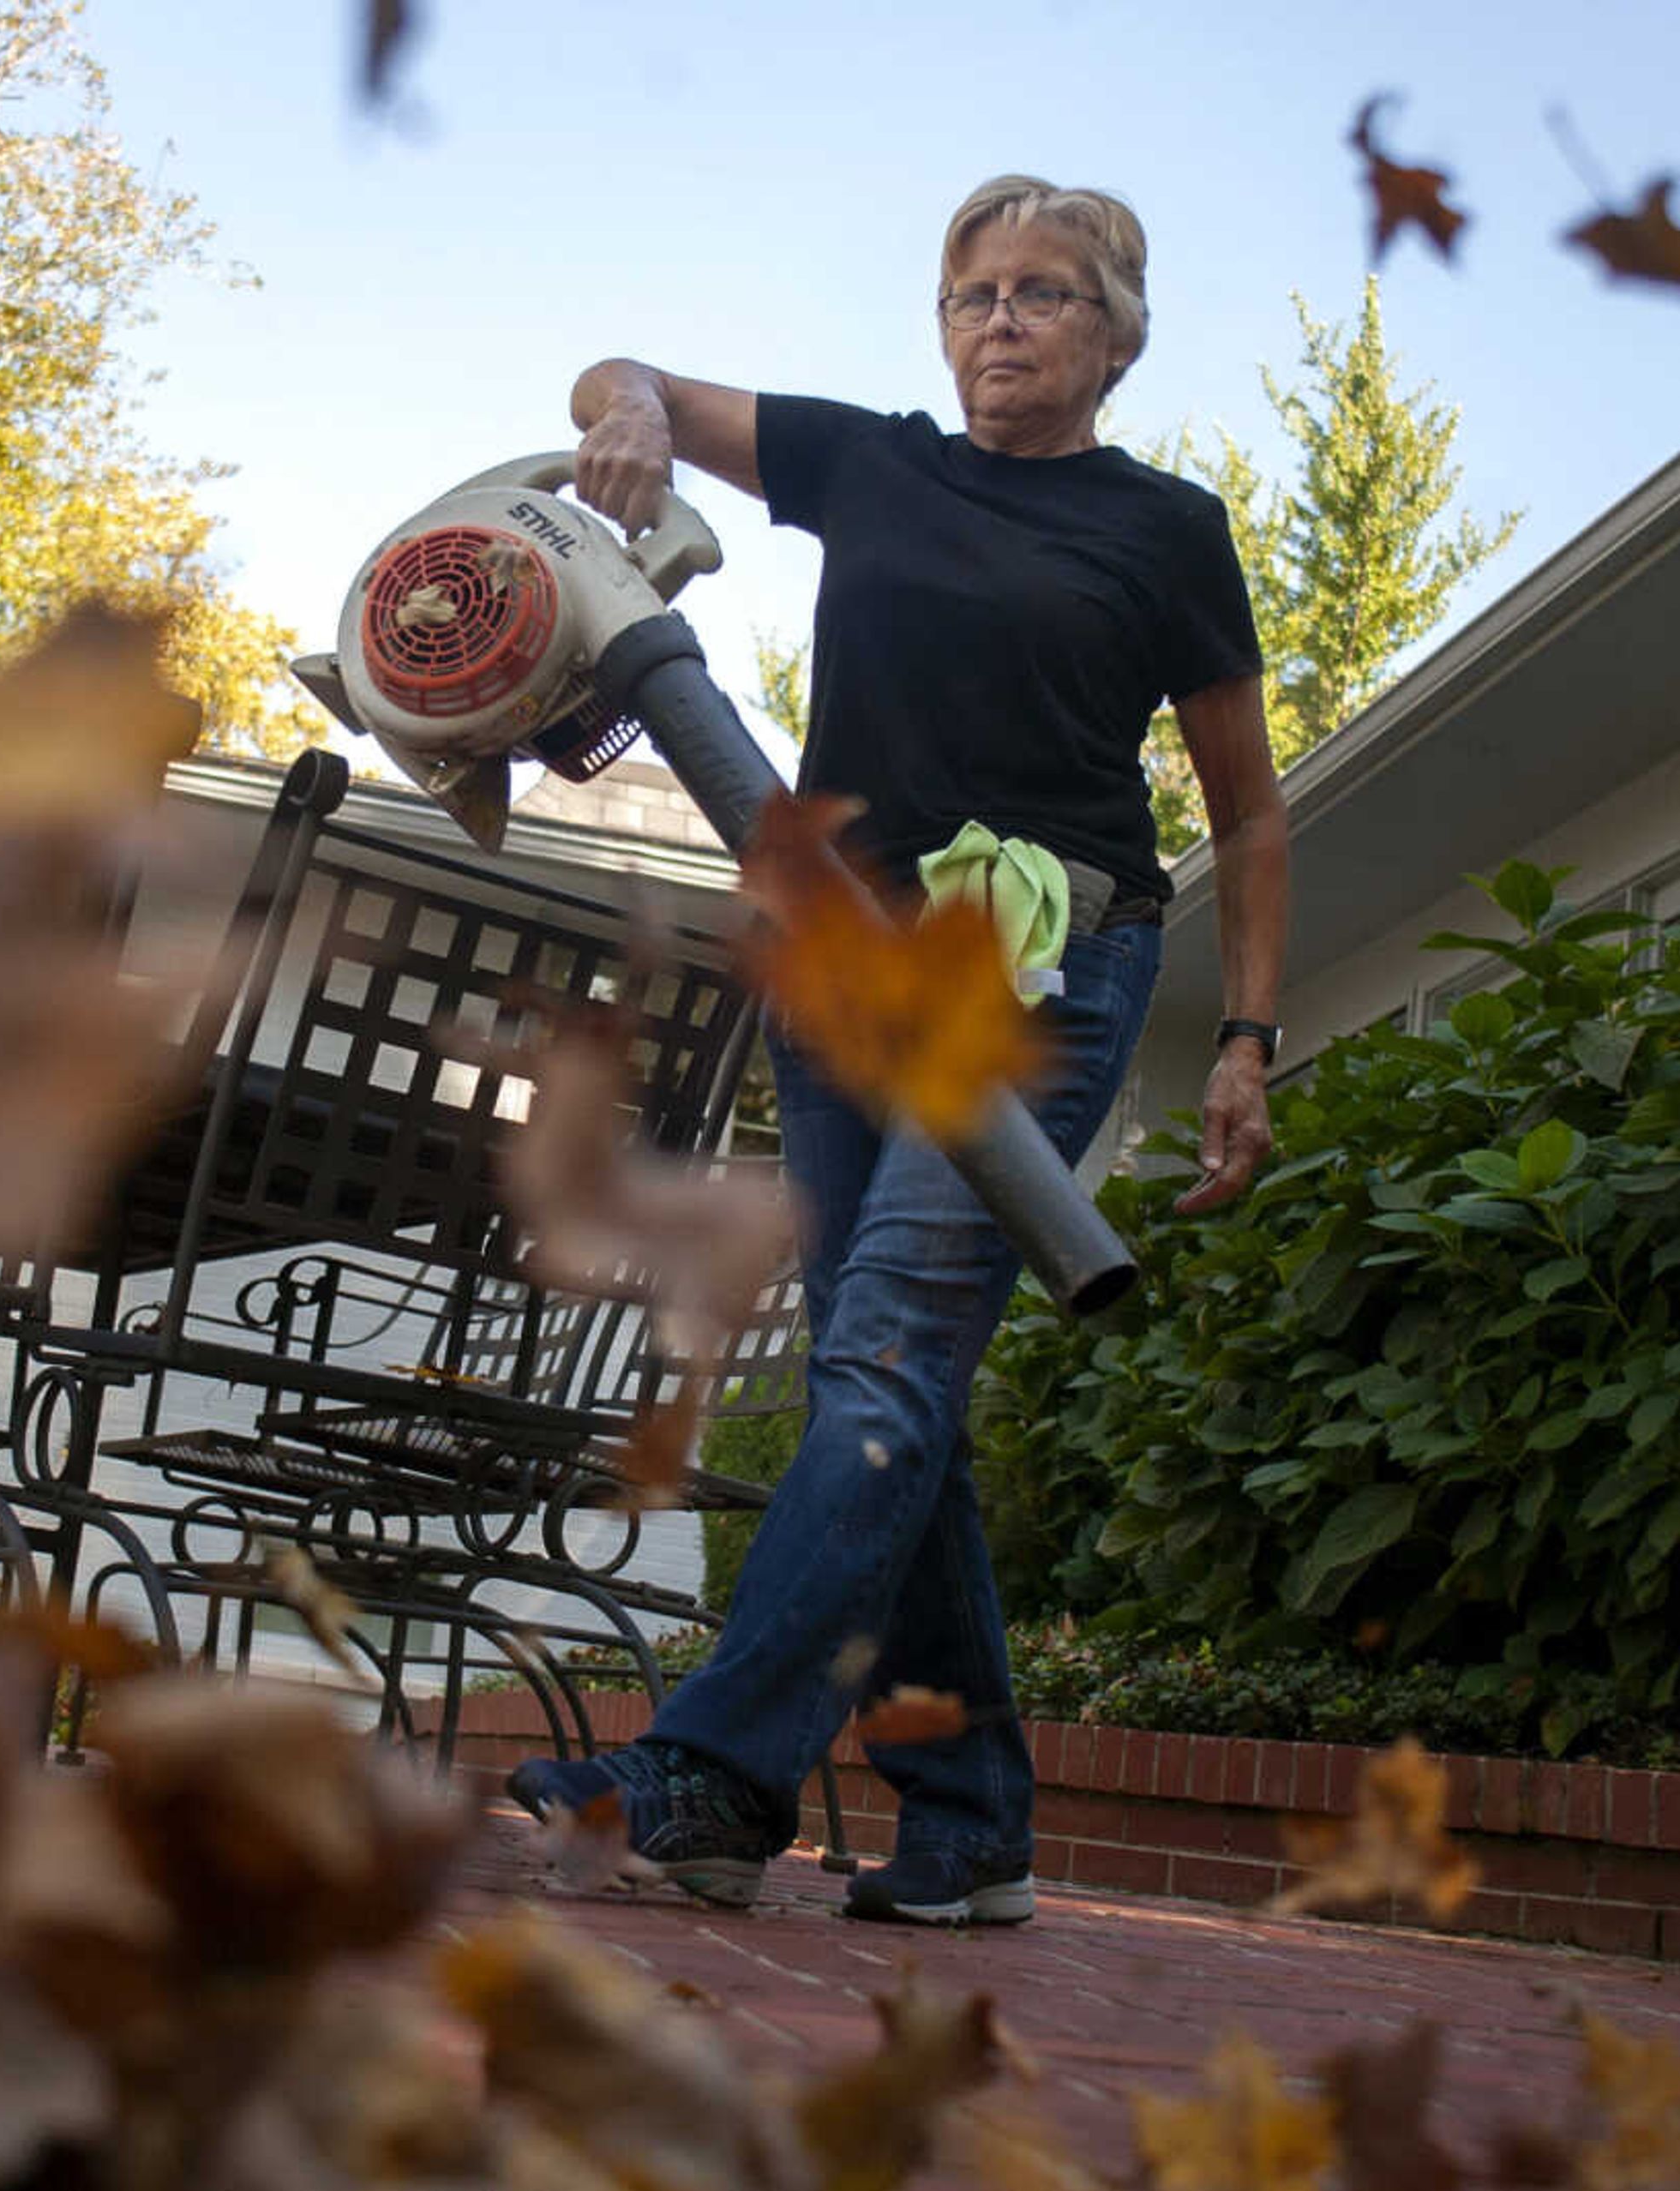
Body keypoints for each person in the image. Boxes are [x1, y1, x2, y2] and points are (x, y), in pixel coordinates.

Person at [507, 174, 1288, 1924]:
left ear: (1115, 333)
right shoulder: (872, 463)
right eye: (974, 294)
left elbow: (1246, 817)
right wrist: (625, 408)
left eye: (1044, 293)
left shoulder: (1167, 529)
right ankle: (970, 1827)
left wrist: (1246, 1032)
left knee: (882, 1363)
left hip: (1044, 971)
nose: (1000, 321)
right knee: (890, 1377)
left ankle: (708, 1776)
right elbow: (621, 375)